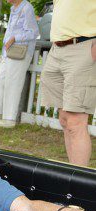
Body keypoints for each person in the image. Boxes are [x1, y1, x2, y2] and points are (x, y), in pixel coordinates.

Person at [40, 0, 96, 167]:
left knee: (75, 122)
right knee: (65, 120)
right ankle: (72, 175)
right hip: (57, 48)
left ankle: (78, 185)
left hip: (83, 46)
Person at [0, 0, 39, 128]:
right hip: (8, 53)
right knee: (0, 81)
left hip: (20, 53)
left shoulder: (26, 8)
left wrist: (14, 37)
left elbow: (33, 32)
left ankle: (9, 119)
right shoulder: (14, 8)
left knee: (13, 84)